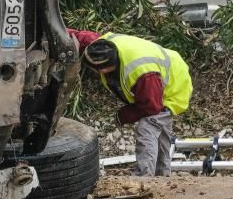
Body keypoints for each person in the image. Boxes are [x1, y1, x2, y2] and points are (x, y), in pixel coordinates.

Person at [68, 29, 192, 177]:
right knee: (161, 134)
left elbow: (151, 107)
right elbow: (80, 36)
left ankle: (143, 178)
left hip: (173, 86)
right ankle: (162, 176)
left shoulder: (142, 73)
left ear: (105, 69)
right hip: (164, 68)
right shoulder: (101, 46)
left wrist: (124, 115)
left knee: (148, 127)